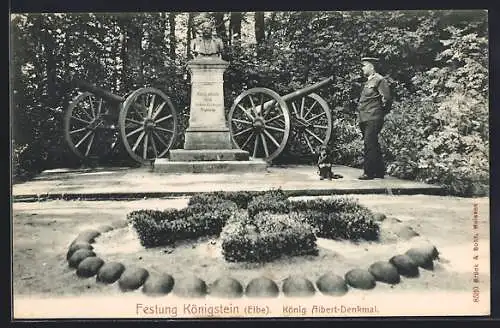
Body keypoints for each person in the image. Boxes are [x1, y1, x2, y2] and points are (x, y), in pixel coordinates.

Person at [356, 57, 392, 180]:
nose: (362, 68)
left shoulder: (379, 80)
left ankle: (369, 172)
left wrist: (380, 113)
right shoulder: (368, 82)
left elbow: (386, 99)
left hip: (373, 117)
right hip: (364, 117)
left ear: (371, 67)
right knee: (373, 144)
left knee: (369, 143)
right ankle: (379, 171)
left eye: (364, 65)